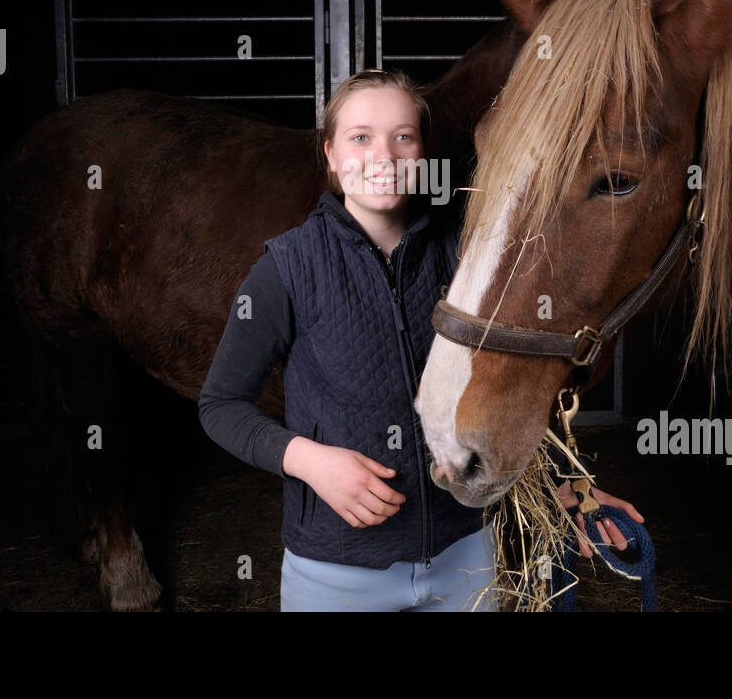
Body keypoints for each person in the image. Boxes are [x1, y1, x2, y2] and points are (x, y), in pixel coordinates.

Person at [199, 68, 642, 612]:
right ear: (332, 155)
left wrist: (562, 486)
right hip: (335, 571)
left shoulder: (469, 255)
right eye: (360, 137)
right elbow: (220, 406)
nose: (383, 155)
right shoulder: (286, 267)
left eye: (402, 136)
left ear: (422, 154)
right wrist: (310, 461)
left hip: (465, 560)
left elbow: (511, 383)